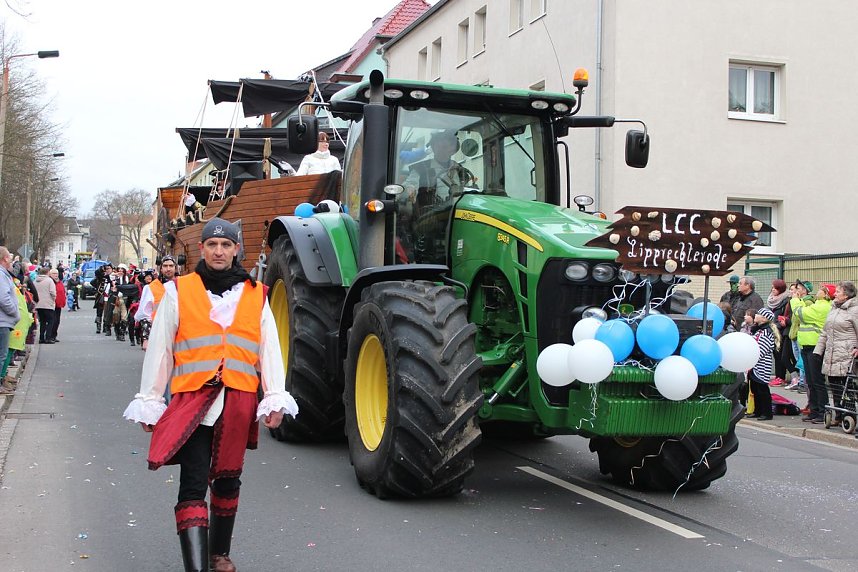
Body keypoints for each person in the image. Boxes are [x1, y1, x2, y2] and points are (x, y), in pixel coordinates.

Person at [122, 217, 298, 572]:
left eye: (226, 245)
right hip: (193, 404)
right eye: (213, 245)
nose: (219, 251)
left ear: (236, 250)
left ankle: (218, 554)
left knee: (228, 479)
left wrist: (274, 395)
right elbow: (160, 349)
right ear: (202, 249)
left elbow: (270, 349)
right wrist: (150, 399)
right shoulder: (179, 291)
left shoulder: (255, 294)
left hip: (237, 403)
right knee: (192, 481)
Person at [814, 281, 858, 428]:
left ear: (846, 295)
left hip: (847, 353)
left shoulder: (854, 310)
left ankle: (850, 415)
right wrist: (818, 350)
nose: (835, 294)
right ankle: (838, 414)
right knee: (834, 385)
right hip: (832, 353)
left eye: (838, 292)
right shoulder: (833, 308)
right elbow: (825, 331)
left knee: (847, 386)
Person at [403, 129, 476, 212]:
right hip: (429, 215)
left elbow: (466, 191)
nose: (441, 149)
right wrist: (410, 189)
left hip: (457, 212)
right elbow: (409, 185)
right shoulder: (421, 168)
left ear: (453, 150)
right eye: (438, 145)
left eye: (445, 147)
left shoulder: (460, 170)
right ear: (433, 147)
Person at [793, 282, 833, 423]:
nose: (818, 291)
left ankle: (822, 411)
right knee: (810, 381)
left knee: (817, 381)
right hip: (807, 345)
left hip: (816, 347)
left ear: (826, 295)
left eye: (822, 289)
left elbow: (800, 313)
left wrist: (795, 299)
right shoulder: (817, 304)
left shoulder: (823, 306)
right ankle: (814, 410)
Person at [135, 255, 178, 351]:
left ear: (175, 268)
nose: (168, 269)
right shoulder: (151, 288)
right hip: (159, 333)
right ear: (161, 268)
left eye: (171, 266)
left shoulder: (182, 285)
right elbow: (145, 314)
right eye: (165, 266)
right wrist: (146, 338)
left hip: (179, 334)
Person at [746, 307, 780, 421]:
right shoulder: (758, 330)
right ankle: (758, 411)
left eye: (758, 314)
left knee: (762, 389)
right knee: (755, 388)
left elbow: (761, 349)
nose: (755, 315)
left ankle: (767, 413)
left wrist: (752, 357)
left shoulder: (766, 332)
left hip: (762, 364)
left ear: (764, 319)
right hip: (754, 364)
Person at [1, 279, 33, 391]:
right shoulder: (6, 283)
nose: (21, 285)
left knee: (8, 351)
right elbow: (5, 301)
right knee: (5, 352)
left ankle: (3, 375)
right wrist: (14, 313)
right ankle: (2, 377)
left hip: (15, 324)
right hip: (11, 323)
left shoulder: (12, 286)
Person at [0, 246, 21, 394]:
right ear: (5, 258)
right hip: (2, 321)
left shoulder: (4, 274)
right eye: (10, 257)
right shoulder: (1, 275)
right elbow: (3, 298)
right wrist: (14, 312)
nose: (11, 261)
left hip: (4, 320)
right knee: (1, 354)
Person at [766, 278, 792, 386]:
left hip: (780, 330)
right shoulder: (771, 300)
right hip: (772, 329)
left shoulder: (786, 300)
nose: (773, 290)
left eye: (775, 288)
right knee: (775, 354)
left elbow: (785, 315)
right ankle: (778, 376)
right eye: (772, 287)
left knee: (780, 354)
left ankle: (781, 377)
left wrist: (777, 325)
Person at [33, 267, 56, 344]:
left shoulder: (35, 280)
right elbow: (52, 292)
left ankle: (41, 338)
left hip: (38, 304)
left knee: (42, 321)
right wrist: (53, 300)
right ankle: (48, 338)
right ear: (47, 272)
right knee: (50, 321)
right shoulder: (49, 280)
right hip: (48, 304)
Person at [49, 268, 65, 343]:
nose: (56, 275)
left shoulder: (59, 282)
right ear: (50, 274)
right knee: (53, 321)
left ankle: (54, 335)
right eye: (54, 273)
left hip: (59, 304)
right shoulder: (50, 282)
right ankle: (50, 336)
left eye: (57, 273)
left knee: (57, 321)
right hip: (52, 304)